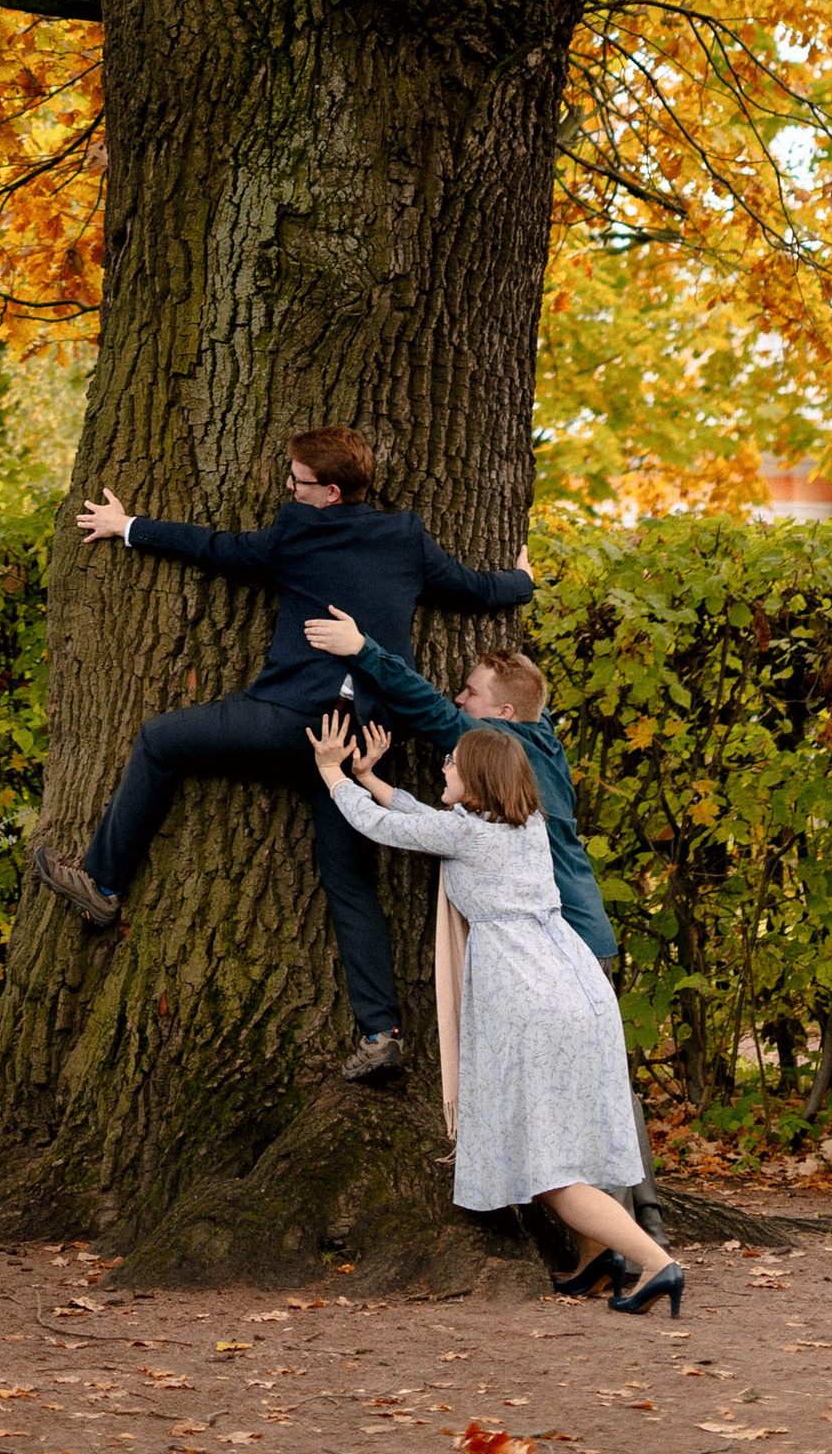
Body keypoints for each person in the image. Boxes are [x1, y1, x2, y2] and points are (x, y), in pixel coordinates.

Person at [29, 427, 533, 1081]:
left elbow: (217, 549)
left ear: (327, 492)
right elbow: (469, 587)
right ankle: (381, 1032)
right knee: (350, 883)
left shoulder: (296, 531)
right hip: (359, 747)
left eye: (295, 480)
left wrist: (130, 526)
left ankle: (101, 884)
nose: (287, 489)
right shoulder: (405, 536)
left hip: (293, 721)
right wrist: (519, 584)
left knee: (160, 739)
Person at [307, 704, 685, 1317]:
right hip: (578, 989)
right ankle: (597, 1262)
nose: (444, 763)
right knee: (571, 1140)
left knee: (550, 1171)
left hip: (530, 995)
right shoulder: (524, 824)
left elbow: (385, 828)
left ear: (477, 779)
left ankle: (655, 1262)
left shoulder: (465, 835)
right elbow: (428, 820)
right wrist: (374, 779)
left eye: (452, 760)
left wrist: (334, 773)